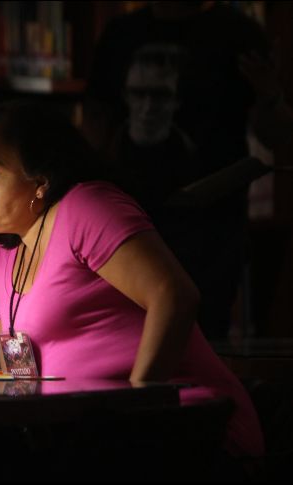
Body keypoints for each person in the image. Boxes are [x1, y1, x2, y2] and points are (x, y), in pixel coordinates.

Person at [0, 99, 264, 472]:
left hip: (182, 428)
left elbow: (175, 295)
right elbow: (20, 379)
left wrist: (136, 406)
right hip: (81, 437)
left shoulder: (84, 207)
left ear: (40, 181)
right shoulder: (1, 260)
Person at [82, 1, 293, 340]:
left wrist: (270, 96)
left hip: (209, 229)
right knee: (118, 338)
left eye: (160, 97)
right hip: (124, 220)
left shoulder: (237, 33)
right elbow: (95, 122)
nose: (149, 108)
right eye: (140, 95)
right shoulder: (121, 34)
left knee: (198, 342)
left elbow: (276, 135)